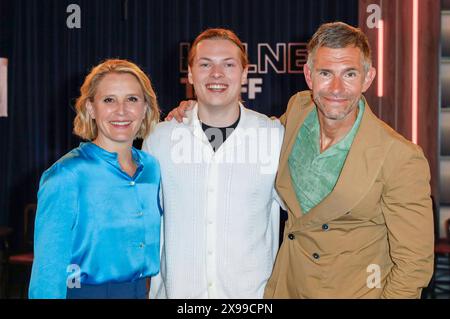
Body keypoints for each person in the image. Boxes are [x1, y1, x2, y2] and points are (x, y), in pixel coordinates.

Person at [168, 22, 434, 299]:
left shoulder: (401, 157)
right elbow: (248, 135)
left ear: (368, 78)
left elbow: (414, 264)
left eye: (350, 74)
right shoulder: (297, 111)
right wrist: (196, 111)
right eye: (325, 73)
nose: (336, 88)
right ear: (309, 76)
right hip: (286, 287)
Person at [142, 28, 284, 298]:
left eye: (228, 65)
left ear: (244, 73)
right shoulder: (159, 139)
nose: (216, 74)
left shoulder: (274, 137)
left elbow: (304, 214)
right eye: (205, 64)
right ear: (191, 73)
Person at [29, 59, 162, 299]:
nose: (121, 110)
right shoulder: (67, 174)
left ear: (145, 108)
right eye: (109, 100)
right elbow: (47, 273)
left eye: (132, 99)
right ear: (91, 108)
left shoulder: (153, 167)